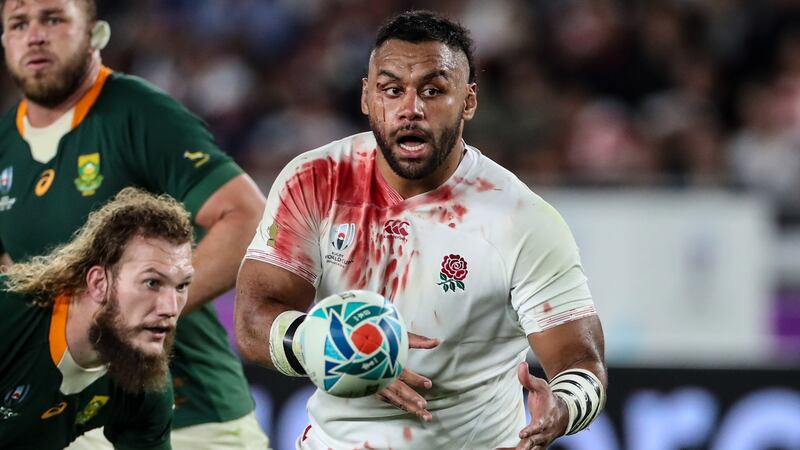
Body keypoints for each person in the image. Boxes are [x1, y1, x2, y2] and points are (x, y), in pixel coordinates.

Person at [236, 9, 607, 450]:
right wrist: (335, 350)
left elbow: (582, 361)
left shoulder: (520, 219)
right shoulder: (317, 180)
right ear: (367, 98)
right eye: (392, 90)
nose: (410, 109)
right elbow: (251, 320)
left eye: (433, 91)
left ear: (468, 101)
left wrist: (562, 407)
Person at [0, 1, 268, 448]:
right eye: (18, 23)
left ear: (94, 32)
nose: (35, 35)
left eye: (53, 18)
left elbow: (246, 215)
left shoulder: (138, 113)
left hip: (192, 412)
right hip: (67, 415)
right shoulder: (4, 144)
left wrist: (144, 315)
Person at [0, 187, 193, 449]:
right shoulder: (9, 314)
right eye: (152, 282)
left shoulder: (145, 381)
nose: (170, 308)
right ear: (99, 283)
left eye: (181, 286)